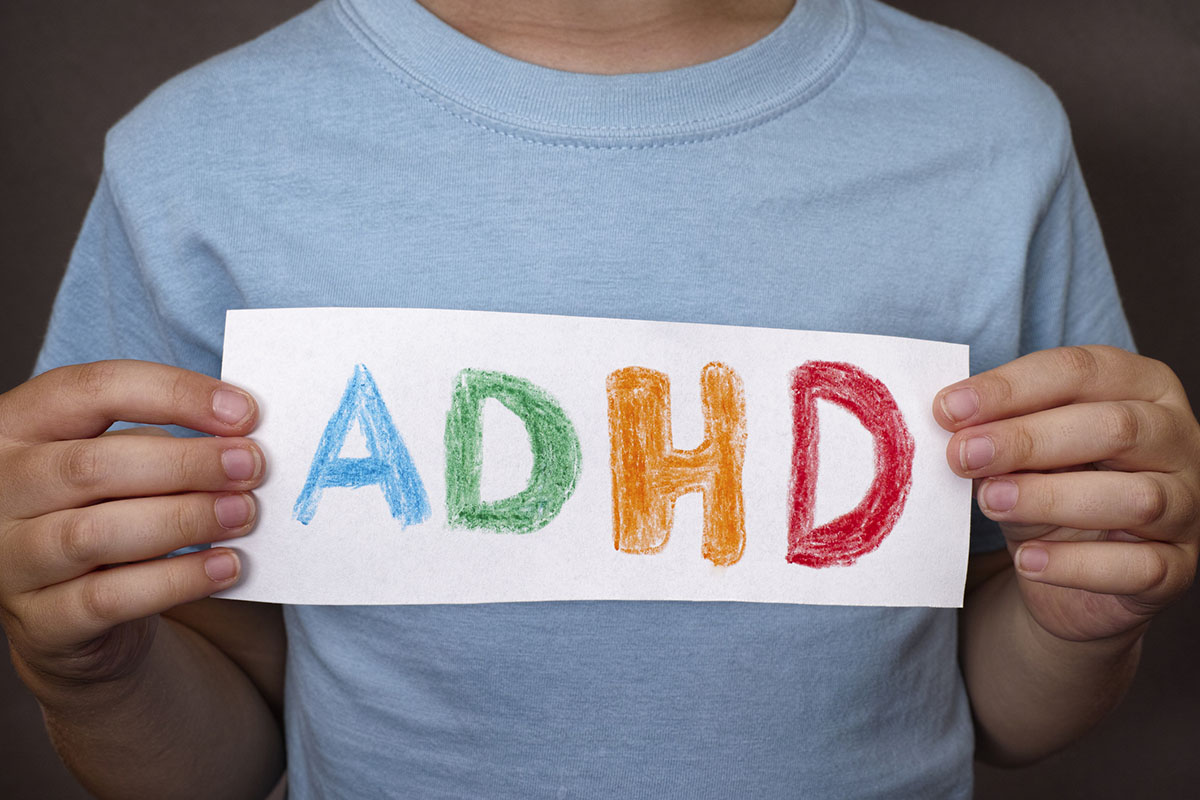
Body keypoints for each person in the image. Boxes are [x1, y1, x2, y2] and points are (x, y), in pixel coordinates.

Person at [2, 0, 1197, 796]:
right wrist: (87, 671)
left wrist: (1080, 616)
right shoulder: (202, 153)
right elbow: (222, 741)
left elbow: (1003, 706)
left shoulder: (991, 135)